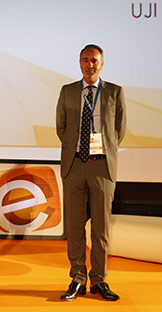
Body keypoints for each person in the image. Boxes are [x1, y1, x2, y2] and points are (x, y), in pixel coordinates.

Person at [55, 44, 126, 301]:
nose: (90, 65)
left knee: (101, 227)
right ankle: (77, 279)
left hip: (102, 165)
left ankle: (99, 280)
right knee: (75, 227)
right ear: (79, 63)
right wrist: (78, 147)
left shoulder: (115, 92)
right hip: (74, 164)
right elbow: (61, 127)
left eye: (94, 60)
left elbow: (119, 129)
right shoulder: (68, 91)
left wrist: (100, 148)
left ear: (102, 63)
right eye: (85, 60)